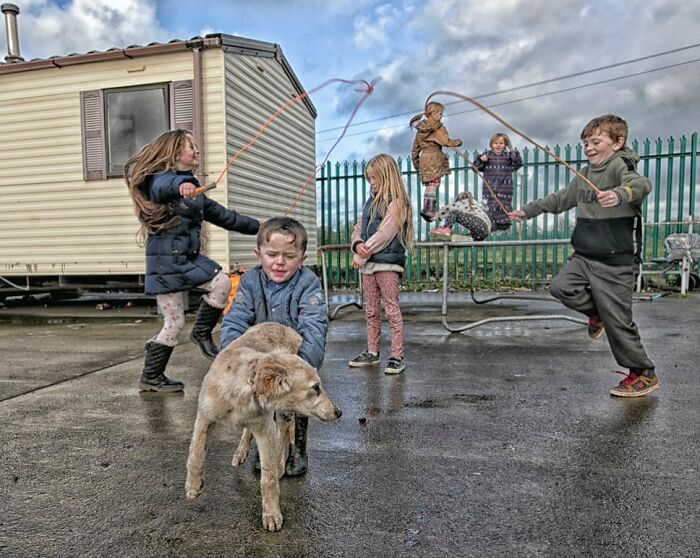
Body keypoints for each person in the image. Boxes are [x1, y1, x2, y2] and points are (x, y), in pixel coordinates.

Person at [511, 115, 657, 397]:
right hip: (585, 256)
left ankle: (643, 372)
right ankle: (595, 313)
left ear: (617, 143)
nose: (588, 148)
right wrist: (527, 211)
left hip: (616, 262)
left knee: (619, 321)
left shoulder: (619, 166)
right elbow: (559, 199)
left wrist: (619, 194)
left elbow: (641, 185)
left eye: (595, 141)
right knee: (561, 287)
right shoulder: (584, 175)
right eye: (585, 143)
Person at [124, 129, 259, 393]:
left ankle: (201, 332)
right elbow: (163, 187)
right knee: (173, 324)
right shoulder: (160, 182)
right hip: (165, 266)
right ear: (175, 153)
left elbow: (226, 216)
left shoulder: (195, 193)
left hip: (186, 260)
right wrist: (179, 185)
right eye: (191, 146)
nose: (197, 150)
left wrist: (261, 228)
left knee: (221, 282)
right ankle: (151, 376)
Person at [220, 217, 327, 476]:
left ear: (302, 257)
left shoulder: (308, 283)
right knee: (262, 405)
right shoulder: (250, 282)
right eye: (272, 254)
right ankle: (263, 448)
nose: (280, 262)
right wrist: (232, 357)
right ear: (258, 254)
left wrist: (302, 365)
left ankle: (297, 448)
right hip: (261, 363)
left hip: (296, 361)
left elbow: (315, 324)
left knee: (300, 403)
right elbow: (235, 319)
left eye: (289, 255)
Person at [348, 153, 414, 375]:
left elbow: (385, 233)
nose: (371, 182)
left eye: (375, 177)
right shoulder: (369, 202)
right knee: (371, 310)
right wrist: (356, 244)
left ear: (388, 176)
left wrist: (363, 253)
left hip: (387, 265)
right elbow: (358, 227)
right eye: (368, 178)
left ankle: (396, 355)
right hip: (368, 265)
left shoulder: (397, 202)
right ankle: (373, 351)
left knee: (391, 310)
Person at [410, 102, 462, 223]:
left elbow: (415, 149)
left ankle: (426, 207)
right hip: (435, 159)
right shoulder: (438, 128)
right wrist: (457, 142)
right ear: (431, 114)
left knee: (429, 185)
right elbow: (445, 142)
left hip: (424, 159)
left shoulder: (420, 130)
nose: (441, 116)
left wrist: (417, 164)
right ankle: (430, 209)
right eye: (439, 113)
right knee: (433, 185)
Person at [472, 132, 522, 231]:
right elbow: (475, 167)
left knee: (503, 204)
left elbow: (518, 165)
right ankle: (490, 224)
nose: (498, 145)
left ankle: (504, 224)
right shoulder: (487, 156)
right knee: (490, 205)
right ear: (491, 144)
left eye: (501, 143)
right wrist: (481, 160)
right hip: (489, 188)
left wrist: (515, 157)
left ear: (505, 145)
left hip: (505, 187)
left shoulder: (508, 157)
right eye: (496, 143)